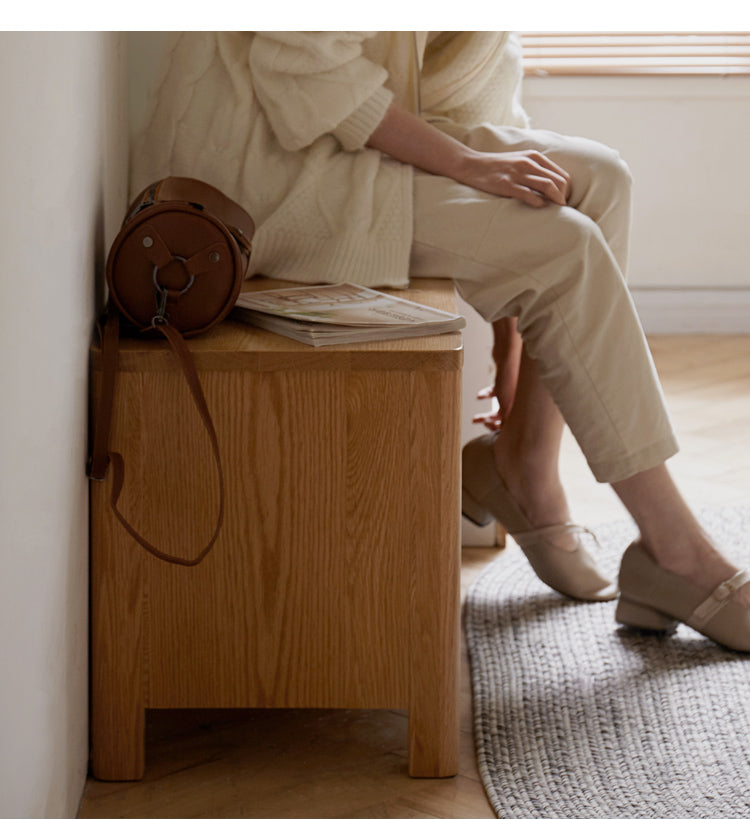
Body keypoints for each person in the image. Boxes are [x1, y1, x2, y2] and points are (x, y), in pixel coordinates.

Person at [132, 31, 750, 651]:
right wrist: (467, 165)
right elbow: (299, 64)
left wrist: (512, 333)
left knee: (600, 180)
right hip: (260, 166)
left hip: (367, 142)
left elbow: (474, 88)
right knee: (569, 249)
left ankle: (524, 469)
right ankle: (677, 553)